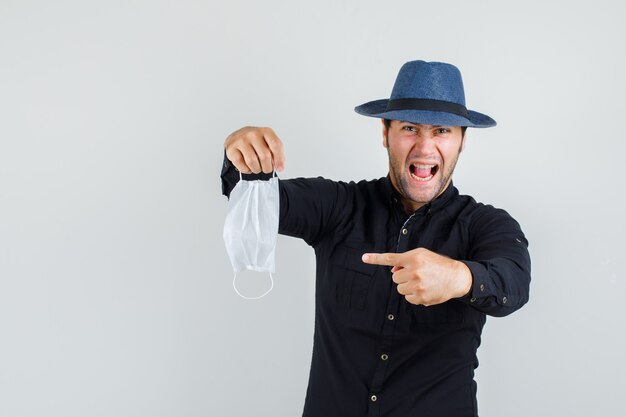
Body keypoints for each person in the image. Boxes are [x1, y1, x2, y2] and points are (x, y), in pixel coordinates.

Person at [220, 60, 531, 417]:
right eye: (410, 128)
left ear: (462, 142)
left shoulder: (486, 225)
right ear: (385, 133)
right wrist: (241, 153)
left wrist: (459, 277)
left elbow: (515, 284)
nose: (426, 147)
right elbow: (254, 199)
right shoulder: (340, 207)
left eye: (442, 131)